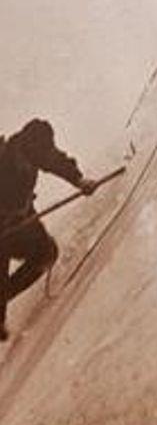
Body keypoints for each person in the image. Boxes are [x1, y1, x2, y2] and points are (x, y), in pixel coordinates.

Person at [0, 118, 94, 341]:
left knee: (46, 252)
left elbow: (56, 161)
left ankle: (2, 297)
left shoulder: (35, 149)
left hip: (21, 222)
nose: (28, 166)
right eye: (26, 162)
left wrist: (79, 180)